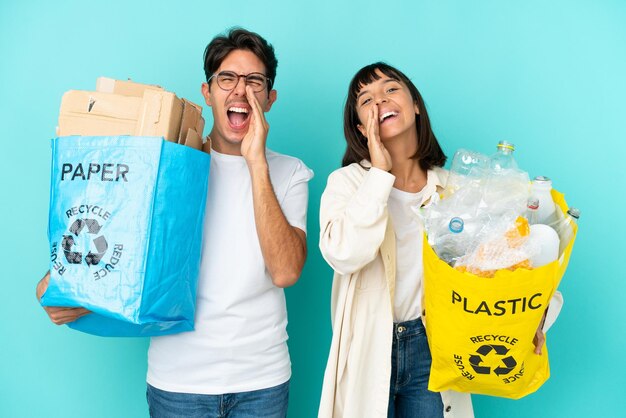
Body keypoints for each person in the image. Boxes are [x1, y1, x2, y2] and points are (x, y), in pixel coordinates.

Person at [36, 28, 313, 418]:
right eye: (227, 79)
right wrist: (63, 284)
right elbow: (112, 236)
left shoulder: (290, 173)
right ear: (207, 92)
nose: (240, 91)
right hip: (178, 383)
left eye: (254, 82)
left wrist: (256, 162)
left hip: (261, 382)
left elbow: (285, 271)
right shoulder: (165, 167)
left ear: (270, 98)